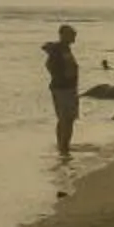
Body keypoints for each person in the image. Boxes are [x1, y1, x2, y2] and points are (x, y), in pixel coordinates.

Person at [44, 24, 82, 155]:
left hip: (67, 87)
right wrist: (61, 76)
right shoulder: (59, 49)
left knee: (66, 118)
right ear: (63, 35)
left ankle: (63, 145)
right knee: (66, 118)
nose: (74, 36)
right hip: (63, 88)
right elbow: (49, 65)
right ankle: (63, 146)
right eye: (72, 34)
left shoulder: (65, 49)